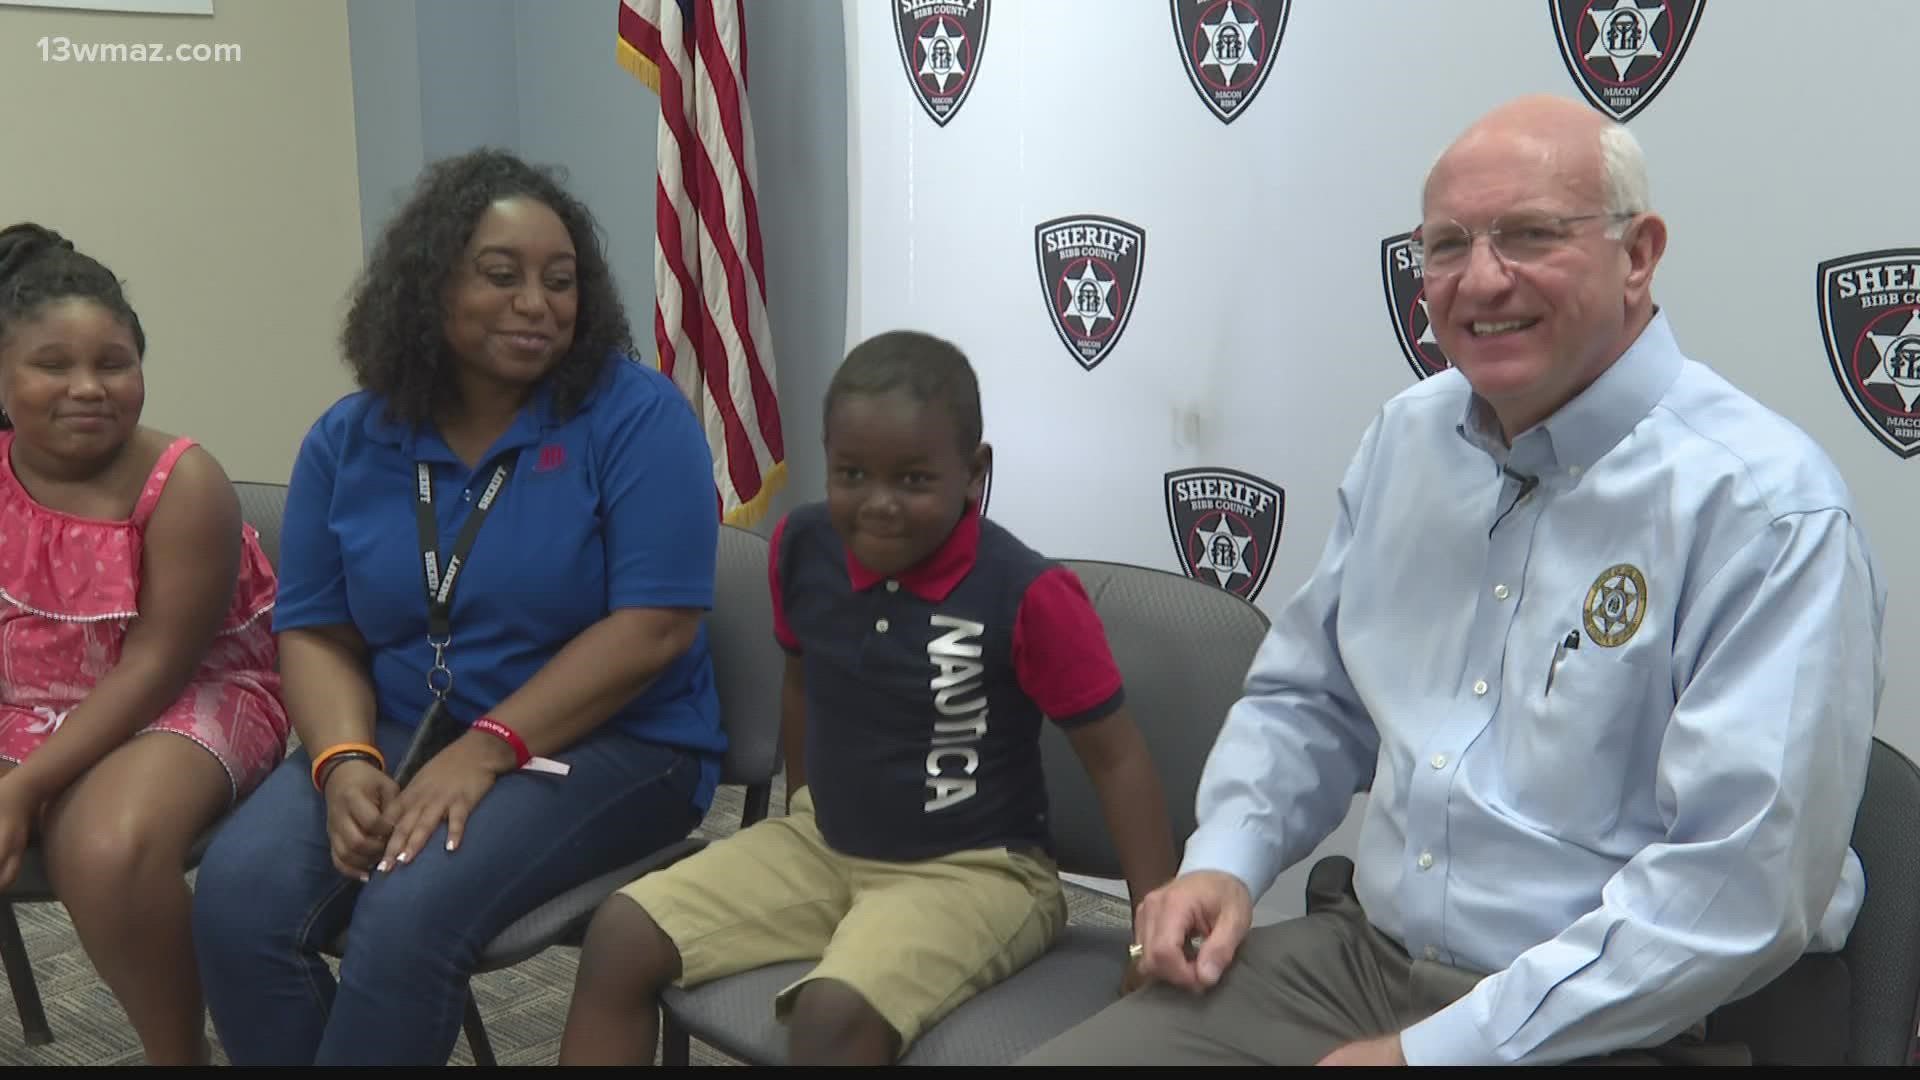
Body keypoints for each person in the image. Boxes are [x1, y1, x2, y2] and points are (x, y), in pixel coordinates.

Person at [1021, 93, 1888, 1067]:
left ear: (1637, 255)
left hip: (1622, 1012)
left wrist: (1434, 1055)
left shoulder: (1764, 507)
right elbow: (1312, 701)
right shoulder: (1410, 439)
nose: (1481, 279)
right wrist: (1225, 860)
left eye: (1529, 235)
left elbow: (1737, 888)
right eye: (1445, 246)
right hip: (1363, 962)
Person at [189, 148, 728, 1065]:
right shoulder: (352, 437)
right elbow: (315, 628)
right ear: (429, 287)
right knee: (235, 899)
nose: (538, 303)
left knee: (406, 909)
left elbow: (656, 628)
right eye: (502, 275)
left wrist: (489, 749)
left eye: (560, 282)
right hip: (405, 723)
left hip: (618, 742)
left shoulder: (635, 417)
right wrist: (342, 761)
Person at [555, 329, 1180, 1065]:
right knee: (620, 934)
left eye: (913, 480)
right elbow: (801, 682)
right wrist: (804, 809)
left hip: (975, 869)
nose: (878, 505)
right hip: (826, 839)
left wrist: (1151, 932)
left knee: (829, 1019)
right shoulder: (802, 546)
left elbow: (1117, 760)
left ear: (974, 473)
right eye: (851, 474)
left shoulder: (1031, 593)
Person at [0, 223, 289, 1064]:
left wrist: (23, 790)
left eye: (114, 362)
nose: (88, 387)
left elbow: (158, 663)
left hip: (189, 698)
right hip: (30, 706)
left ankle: (178, 1055)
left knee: (103, 846)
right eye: (53, 365)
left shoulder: (184, 482)